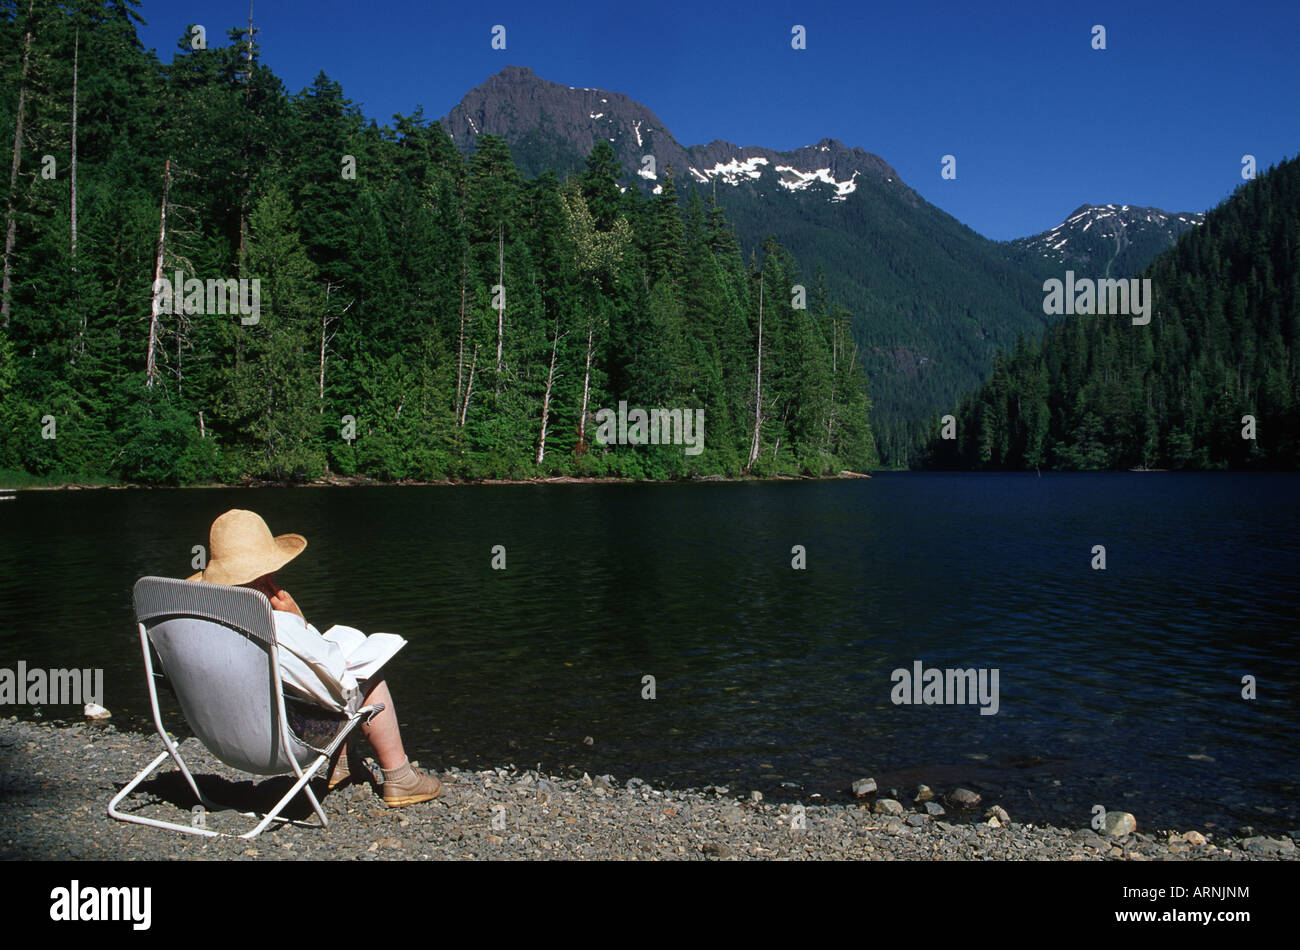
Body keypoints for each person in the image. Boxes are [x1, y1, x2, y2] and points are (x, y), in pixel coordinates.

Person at [187, 508, 441, 807]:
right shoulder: (275, 626)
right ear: (266, 575)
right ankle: (401, 778)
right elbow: (334, 681)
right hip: (274, 744)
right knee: (366, 677)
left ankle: (345, 765)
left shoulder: (196, 622)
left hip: (216, 733)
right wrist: (301, 623)